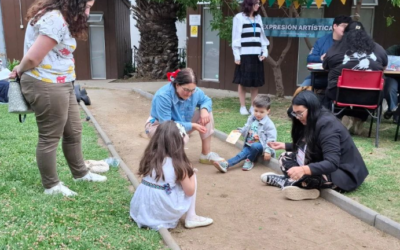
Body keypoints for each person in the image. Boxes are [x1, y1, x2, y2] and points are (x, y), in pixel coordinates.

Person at [9, 0, 107, 196]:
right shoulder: (54, 20)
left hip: (62, 81)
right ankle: (51, 186)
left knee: (73, 130)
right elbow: (33, 58)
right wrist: (18, 70)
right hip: (46, 82)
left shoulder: (58, 16)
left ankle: (80, 173)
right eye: (86, 7)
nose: (88, 12)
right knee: (50, 136)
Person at [260, 91, 369, 201]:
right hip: (322, 162)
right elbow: (308, 145)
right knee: (284, 157)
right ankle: (298, 185)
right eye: (295, 113)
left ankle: (288, 182)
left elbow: (332, 162)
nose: (297, 117)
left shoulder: (328, 126)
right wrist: (286, 145)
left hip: (342, 172)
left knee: (310, 176)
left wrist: (303, 169)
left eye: (299, 113)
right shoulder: (311, 119)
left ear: (311, 108)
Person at [130, 121, 213, 230]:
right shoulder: (179, 164)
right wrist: (191, 172)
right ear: (180, 140)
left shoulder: (150, 157)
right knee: (191, 174)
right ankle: (191, 216)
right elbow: (190, 191)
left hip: (141, 211)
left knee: (169, 181)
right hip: (163, 212)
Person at [145, 68, 224, 165]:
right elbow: (166, 125)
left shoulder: (195, 91)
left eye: (192, 90)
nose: (189, 93)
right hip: (159, 127)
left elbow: (206, 100)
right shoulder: (163, 96)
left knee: (207, 114)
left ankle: (206, 154)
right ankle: (171, 161)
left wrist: (204, 110)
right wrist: (192, 125)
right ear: (177, 85)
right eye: (186, 90)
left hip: (182, 124)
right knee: (182, 137)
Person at [323, 21, 388, 135]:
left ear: (346, 34)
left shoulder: (336, 47)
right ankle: (359, 119)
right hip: (371, 97)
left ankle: (339, 117)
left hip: (340, 95)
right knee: (365, 90)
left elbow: (326, 66)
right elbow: (384, 66)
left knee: (329, 89)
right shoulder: (378, 48)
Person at [213, 94, 276, 172]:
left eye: (261, 112)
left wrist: (268, 150)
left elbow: (271, 139)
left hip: (260, 147)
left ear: (268, 111)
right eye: (256, 111)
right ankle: (226, 164)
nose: (258, 114)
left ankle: (250, 160)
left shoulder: (269, 124)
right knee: (240, 155)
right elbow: (246, 128)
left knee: (255, 146)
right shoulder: (251, 118)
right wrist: (240, 131)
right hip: (249, 144)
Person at [231, 0, 269, 115]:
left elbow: (262, 37)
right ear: (249, 4)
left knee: (255, 83)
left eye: (259, 3)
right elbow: (236, 37)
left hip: (256, 54)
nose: (258, 6)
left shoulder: (258, 18)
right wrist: (237, 55)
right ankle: (242, 107)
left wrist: (264, 51)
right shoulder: (239, 17)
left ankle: (253, 106)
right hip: (244, 55)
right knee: (242, 82)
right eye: (256, 3)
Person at [300, 15, 352, 88]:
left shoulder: (351, 42)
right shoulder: (322, 41)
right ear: (335, 26)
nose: (346, 29)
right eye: (343, 26)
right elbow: (310, 58)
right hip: (321, 77)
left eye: (348, 27)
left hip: (343, 78)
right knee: (302, 89)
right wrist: (320, 58)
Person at [383, 44, 400, 123]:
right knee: (390, 89)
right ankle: (392, 109)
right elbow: (384, 58)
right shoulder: (393, 49)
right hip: (392, 76)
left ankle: (396, 113)